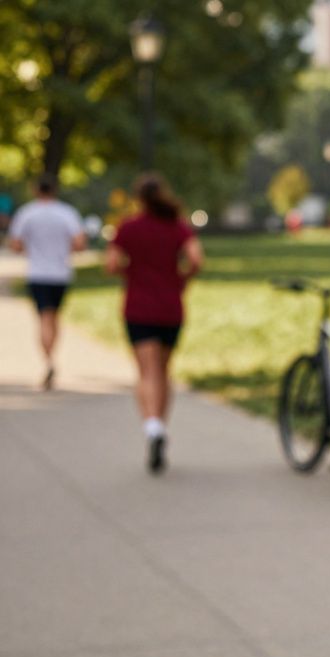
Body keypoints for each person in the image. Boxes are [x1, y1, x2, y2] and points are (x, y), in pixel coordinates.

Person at [105, 174, 204, 474]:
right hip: (170, 306)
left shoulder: (128, 228)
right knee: (162, 371)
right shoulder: (177, 227)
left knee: (145, 372)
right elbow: (196, 260)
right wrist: (180, 279)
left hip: (138, 307)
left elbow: (111, 265)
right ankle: (160, 425)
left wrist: (130, 274)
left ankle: (152, 427)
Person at [5, 173, 86, 390]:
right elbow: (79, 243)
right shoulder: (66, 213)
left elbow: (15, 244)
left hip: (38, 273)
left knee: (44, 318)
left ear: (35, 189)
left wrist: (32, 248)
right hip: (61, 274)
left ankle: (48, 359)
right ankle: (52, 356)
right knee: (54, 316)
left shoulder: (27, 213)